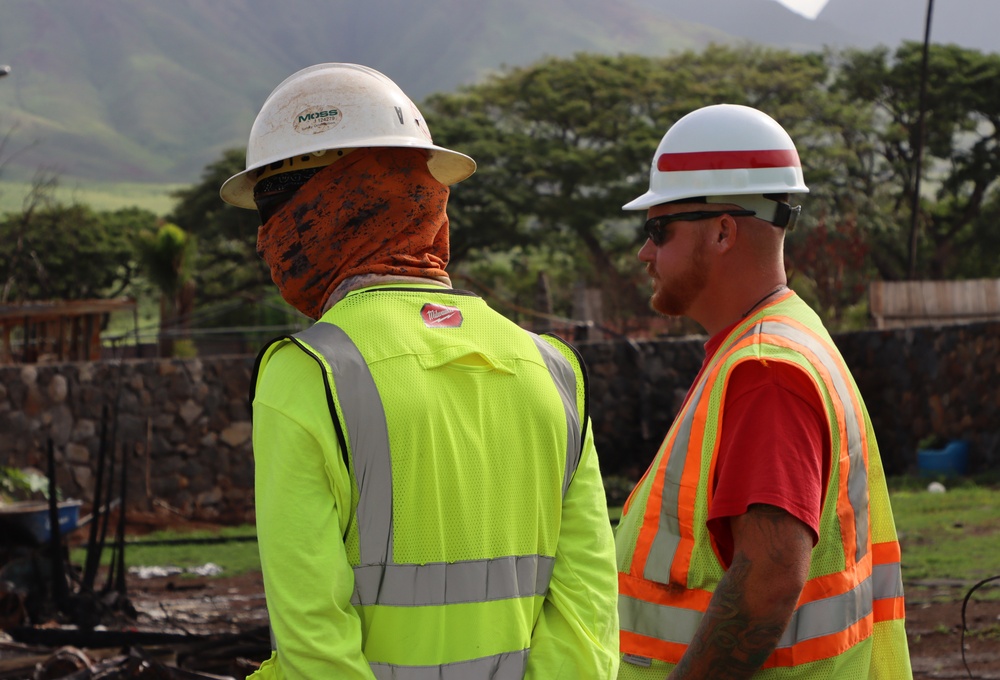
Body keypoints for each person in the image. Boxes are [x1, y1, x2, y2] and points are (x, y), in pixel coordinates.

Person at [219, 63, 619, 679]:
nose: (268, 237)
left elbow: (314, 649)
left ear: (338, 204)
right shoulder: (553, 371)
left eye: (277, 207)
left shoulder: (308, 373)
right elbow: (587, 624)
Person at [613, 104, 912, 679]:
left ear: (724, 231)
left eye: (658, 230)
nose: (645, 254)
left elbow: (768, 584)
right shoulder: (782, 336)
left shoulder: (765, 370)